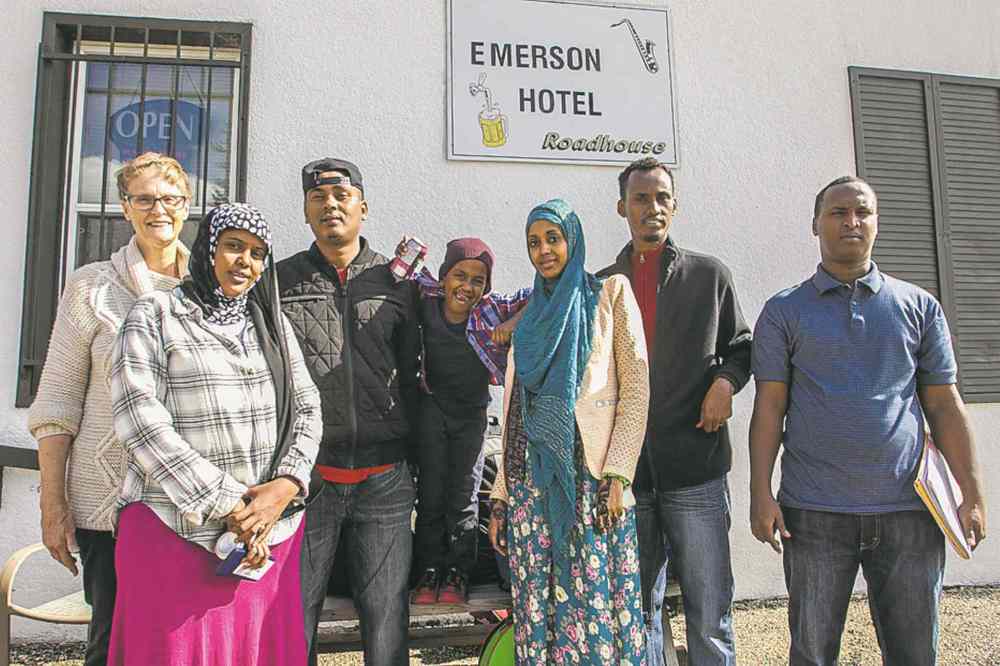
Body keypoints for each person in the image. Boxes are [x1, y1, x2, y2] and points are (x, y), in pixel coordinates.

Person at [749, 176, 987, 666]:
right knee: (812, 653)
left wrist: (973, 493)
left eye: (863, 212)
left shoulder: (919, 308)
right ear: (816, 224)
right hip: (813, 515)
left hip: (910, 511)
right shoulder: (783, 312)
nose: (851, 222)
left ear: (877, 222)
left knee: (914, 652)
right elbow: (769, 408)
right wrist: (760, 492)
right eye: (837, 212)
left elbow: (944, 405)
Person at [108, 203, 321, 665]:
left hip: (267, 539)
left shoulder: (272, 325)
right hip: (173, 530)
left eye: (258, 253)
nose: (245, 261)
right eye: (234, 246)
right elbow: (137, 416)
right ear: (208, 249)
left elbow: (307, 408)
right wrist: (232, 503)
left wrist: (285, 487)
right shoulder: (156, 313)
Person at [27, 152, 192, 666]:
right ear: (125, 208)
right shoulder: (91, 287)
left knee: (180, 639)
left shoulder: (208, 288)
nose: (157, 209)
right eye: (143, 199)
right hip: (107, 500)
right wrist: (52, 505)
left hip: (189, 499)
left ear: (187, 206)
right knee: (113, 641)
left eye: (168, 198)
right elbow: (56, 403)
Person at [597, 157, 751, 666]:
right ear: (622, 207)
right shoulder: (599, 285)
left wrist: (726, 383)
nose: (653, 207)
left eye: (662, 197)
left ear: (675, 206)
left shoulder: (709, 276)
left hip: (696, 471)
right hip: (626, 478)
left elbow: (742, 345)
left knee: (709, 614)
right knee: (636, 612)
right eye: (641, 198)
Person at [488, 198, 649, 664]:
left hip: (592, 481)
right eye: (534, 243)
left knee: (598, 601)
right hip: (531, 488)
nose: (544, 251)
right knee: (541, 608)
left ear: (572, 240)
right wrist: (500, 495)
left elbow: (636, 391)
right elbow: (516, 411)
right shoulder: (529, 319)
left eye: (553, 239)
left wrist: (618, 474)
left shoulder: (609, 294)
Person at [277, 158, 421, 665]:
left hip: (385, 480)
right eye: (318, 199)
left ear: (363, 206)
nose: (330, 207)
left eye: (341, 197)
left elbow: (418, 374)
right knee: (294, 618)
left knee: (386, 622)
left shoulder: (397, 281)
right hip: (307, 481)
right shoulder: (278, 282)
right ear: (306, 211)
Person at [402, 238, 530, 605]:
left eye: (478, 280)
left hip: (471, 416)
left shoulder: (491, 311)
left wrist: (515, 322)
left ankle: (458, 571)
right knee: (429, 494)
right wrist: (406, 253)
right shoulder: (426, 299)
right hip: (431, 410)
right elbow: (399, 273)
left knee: (464, 496)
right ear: (444, 278)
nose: (467, 286)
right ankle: (427, 571)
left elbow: (543, 293)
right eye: (460, 275)